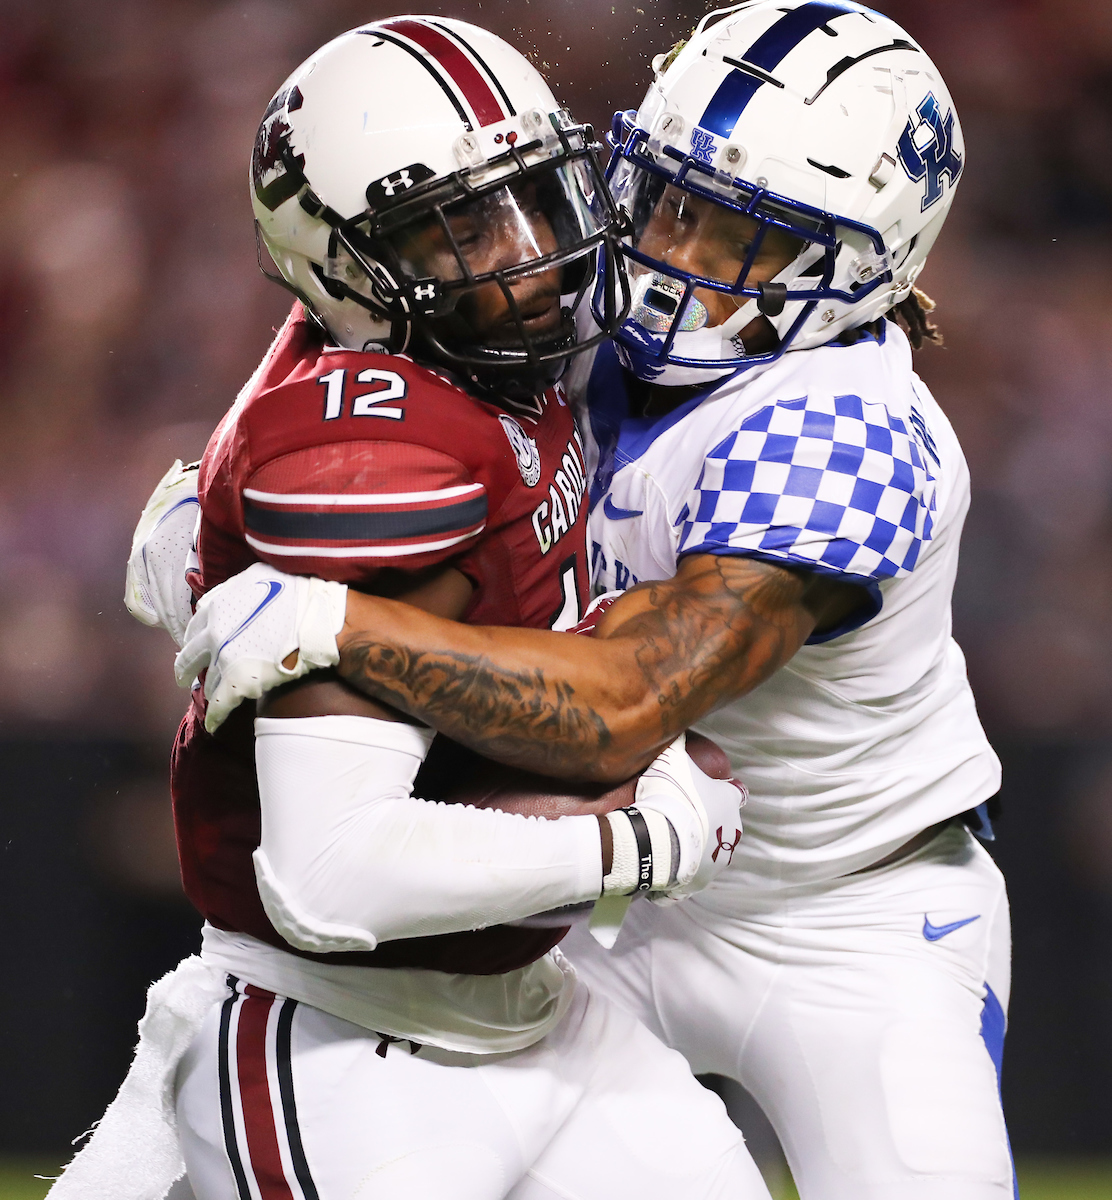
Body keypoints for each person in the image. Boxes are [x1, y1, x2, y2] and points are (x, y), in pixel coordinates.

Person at [181, 3, 1018, 1199]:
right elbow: (355, 313)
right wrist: (219, 504)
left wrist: (332, 621)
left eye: (738, 235)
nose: (671, 249)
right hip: (610, 893)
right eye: (666, 195)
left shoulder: (846, 435)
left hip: (846, 913)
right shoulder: (570, 289)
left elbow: (625, 704)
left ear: (851, 268)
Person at [90, 16, 766, 1200]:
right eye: (463, 229)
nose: (532, 257)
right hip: (347, 1042)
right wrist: (635, 844)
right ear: (351, 269)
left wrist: (209, 539)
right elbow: (332, 876)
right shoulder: (371, 459)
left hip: (539, 1008)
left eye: (532, 197)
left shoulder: (464, 353)